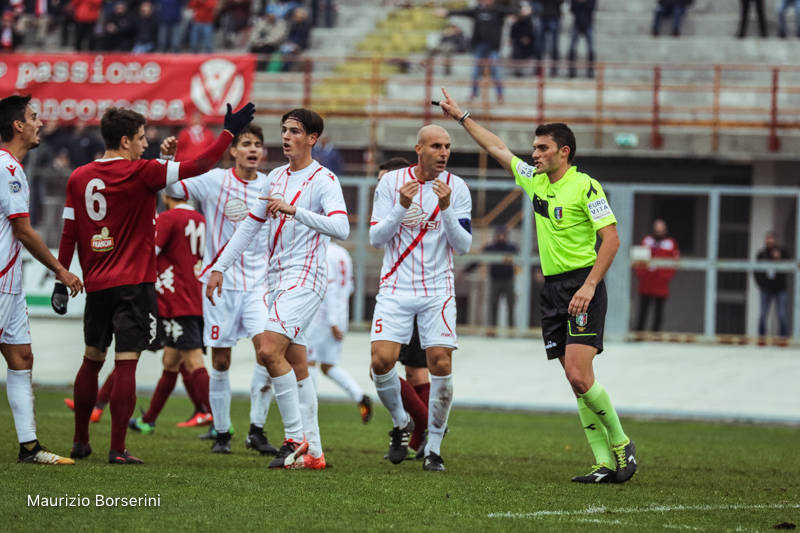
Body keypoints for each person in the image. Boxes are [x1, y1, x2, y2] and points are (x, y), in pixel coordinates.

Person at [438, 88, 637, 484]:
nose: (534, 154)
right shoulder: (535, 180)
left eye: (543, 148)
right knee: (573, 379)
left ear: (564, 152)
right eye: (533, 148)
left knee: (581, 375)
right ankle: (602, 464)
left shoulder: (586, 186)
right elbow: (497, 148)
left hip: (584, 284)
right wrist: (461, 117)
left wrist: (590, 285)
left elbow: (612, 239)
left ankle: (621, 444)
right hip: (553, 290)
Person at [54, 101, 255, 465]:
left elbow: (69, 231)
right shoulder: (141, 173)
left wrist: (60, 277)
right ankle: (118, 449)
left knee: (91, 360)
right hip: (135, 285)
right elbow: (201, 165)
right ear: (127, 140)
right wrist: (227, 133)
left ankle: (80, 440)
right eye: (142, 138)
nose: (145, 144)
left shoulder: (79, 176)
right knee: (127, 363)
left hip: (97, 283)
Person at [207, 108, 349, 470]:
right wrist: (219, 267)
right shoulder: (274, 178)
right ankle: (315, 452)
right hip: (276, 279)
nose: (286, 136)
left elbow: (342, 229)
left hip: (306, 278)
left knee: (268, 351)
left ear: (312, 139)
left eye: (295, 131)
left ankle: (293, 438)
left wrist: (294, 211)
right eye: (284, 130)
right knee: (297, 363)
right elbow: (250, 226)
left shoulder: (324, 180)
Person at [161, 124, 278, 455]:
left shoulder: (272, 185)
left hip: (258, 285)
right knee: (221, 361)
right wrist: (165, 159)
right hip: (220, 286)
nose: (253, 149)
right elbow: (171, 186)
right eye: (246, 144)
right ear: (234, 151)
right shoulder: (215, 181)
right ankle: (223, 432)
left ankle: (256, 429)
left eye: (258, 144)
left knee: (268, 353)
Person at [369, 124, 473, 472]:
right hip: (396, 286)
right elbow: (376, 237)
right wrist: (401, 206)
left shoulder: (457, 188)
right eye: (436, 146)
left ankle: (434, 448)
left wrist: (444, 208)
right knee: (381, 362)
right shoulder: (390, 183)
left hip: (437, 289)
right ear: (419, 149)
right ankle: (401, 422)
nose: (443, 152)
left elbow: (463, 246)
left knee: (440, 363)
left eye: (447, 146)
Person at [0, 94, 83, 465]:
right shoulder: (8, 168)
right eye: (33, 117)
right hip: (1, 279)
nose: (40, 122)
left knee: (21, 355)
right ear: (18, 125)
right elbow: (23, 230)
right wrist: (61, 270)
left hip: (11, 282)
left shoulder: (11, 167)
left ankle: (29, 447)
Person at [128, 191, 212, 434]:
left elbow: (149, 253)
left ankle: (217, 420)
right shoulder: (200, 219)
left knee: (194, 359)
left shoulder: (168, 218)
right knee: (170, 360)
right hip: (195, 294)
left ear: (166, 197)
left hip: (176, 299)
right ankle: (149, 420)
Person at [376, 156, 430, 458]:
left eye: (388, 178)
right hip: (393, 294)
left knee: (414, 373)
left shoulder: (418, 206)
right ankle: (413, 432)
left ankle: (418, 427)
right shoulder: (387, 210)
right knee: (387, 368)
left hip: (419, 294)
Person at [306, 241, 373, 423]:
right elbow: (349, 287)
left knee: (308, 361)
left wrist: (332, 321)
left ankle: (309, 409)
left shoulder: (323, 253)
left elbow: (329, 288)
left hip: (323, 318)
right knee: (328, 366)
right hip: (341, 314)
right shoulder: (343, 253)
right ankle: (359, 396)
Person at [445, 0, 515, 102]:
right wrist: (448, 12)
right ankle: (473, 94)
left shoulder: (498, 10)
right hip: (479, 46)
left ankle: (500, 95)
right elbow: (463, 12)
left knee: (496, 71)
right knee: (475, 72)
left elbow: (514, 11)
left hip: (493, 47)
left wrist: (523, 11)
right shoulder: (477, 10)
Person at [633, 219, 679, 333]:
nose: (658, 232)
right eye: (657, 229)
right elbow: (639, 260)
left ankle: (655, 334)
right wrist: (642, 275)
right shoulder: (647, 241)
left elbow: (674, 262)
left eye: (661, 229)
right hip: (646, 282)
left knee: (659, 311)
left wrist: (665, 277)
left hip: (661, 284)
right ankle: (639, 333)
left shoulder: (670, 243)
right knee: (643, 309)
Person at [754, 231, 790, 344]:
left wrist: (779, 260)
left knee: (782, 314)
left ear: (775, 240)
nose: (769, 241)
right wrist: (761, 284)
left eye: (771, 239)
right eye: (768, 239)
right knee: (763, 314)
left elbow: (789, 267)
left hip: (780, 288)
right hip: (766, 288)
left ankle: (783, 339)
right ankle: (761, 339)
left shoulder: (782, 252)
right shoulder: (761, 254)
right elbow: (756, 270)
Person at [484, 225, 518, 332]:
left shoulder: (512, 248)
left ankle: (511, 330)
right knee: (493, 305)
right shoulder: (490, 248)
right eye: (499, 235)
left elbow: (522, 258)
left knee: (511, 305)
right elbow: (478, 259)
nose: (501, 237)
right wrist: (465, 271)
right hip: (495, 280)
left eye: (503, 235)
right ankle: (492, 330)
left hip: (509, 280)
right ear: (496, 235)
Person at [567, 0, 596, 78]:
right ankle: (571, 71)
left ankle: (590, 71)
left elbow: (591, 7)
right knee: (571, 48)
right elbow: (572, 9)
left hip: (588, 23)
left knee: (591, 49)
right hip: (577, 23)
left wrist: (581, 2)